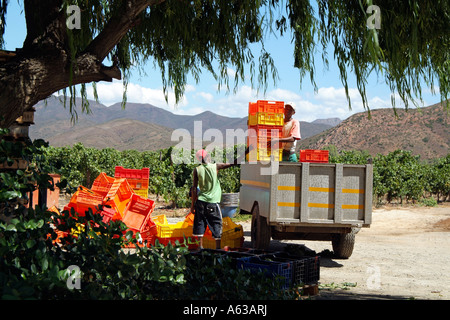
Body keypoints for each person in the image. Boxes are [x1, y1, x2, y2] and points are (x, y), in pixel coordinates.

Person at [190, 148, 249, 249]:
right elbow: (233, 163)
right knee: (216, 224)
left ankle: (200, 248)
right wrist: (246, 152)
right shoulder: (215, 166)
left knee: (200, 224)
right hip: (212, 202)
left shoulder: (197, 170)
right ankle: (217, 249)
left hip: (200, 202)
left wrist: (192, 206)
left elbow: (194, 189)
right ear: (208, 157)